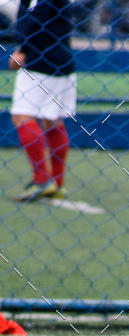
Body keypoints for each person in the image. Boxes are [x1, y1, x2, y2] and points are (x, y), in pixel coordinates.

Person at [10, 0, 75, 202]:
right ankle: (57, 183)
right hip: (63, 60)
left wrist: (22, 49)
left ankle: (41, 180)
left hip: (40, 62)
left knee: (22, 116)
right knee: (52, 120)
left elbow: (37, 17)